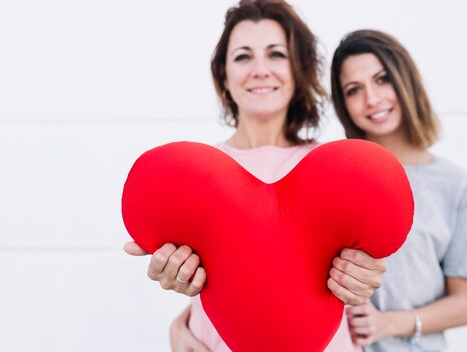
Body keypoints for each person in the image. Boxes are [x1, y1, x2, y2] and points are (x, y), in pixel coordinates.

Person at [125, 1, 389, 351]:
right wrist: (180, 305)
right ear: (223, 75)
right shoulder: (194, 174)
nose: (260, 69)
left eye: (276, 54)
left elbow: (365, 270)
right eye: (243, 56)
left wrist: (364, 277)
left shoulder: (337, 171)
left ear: (298, 69)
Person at [330, 29, 467, 351]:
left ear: (405, 80)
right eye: (354, 89)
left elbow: (464, 299)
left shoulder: (454, 185)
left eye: (381, 79)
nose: (372, 99)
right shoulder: (335, 177)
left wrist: (390, 323)